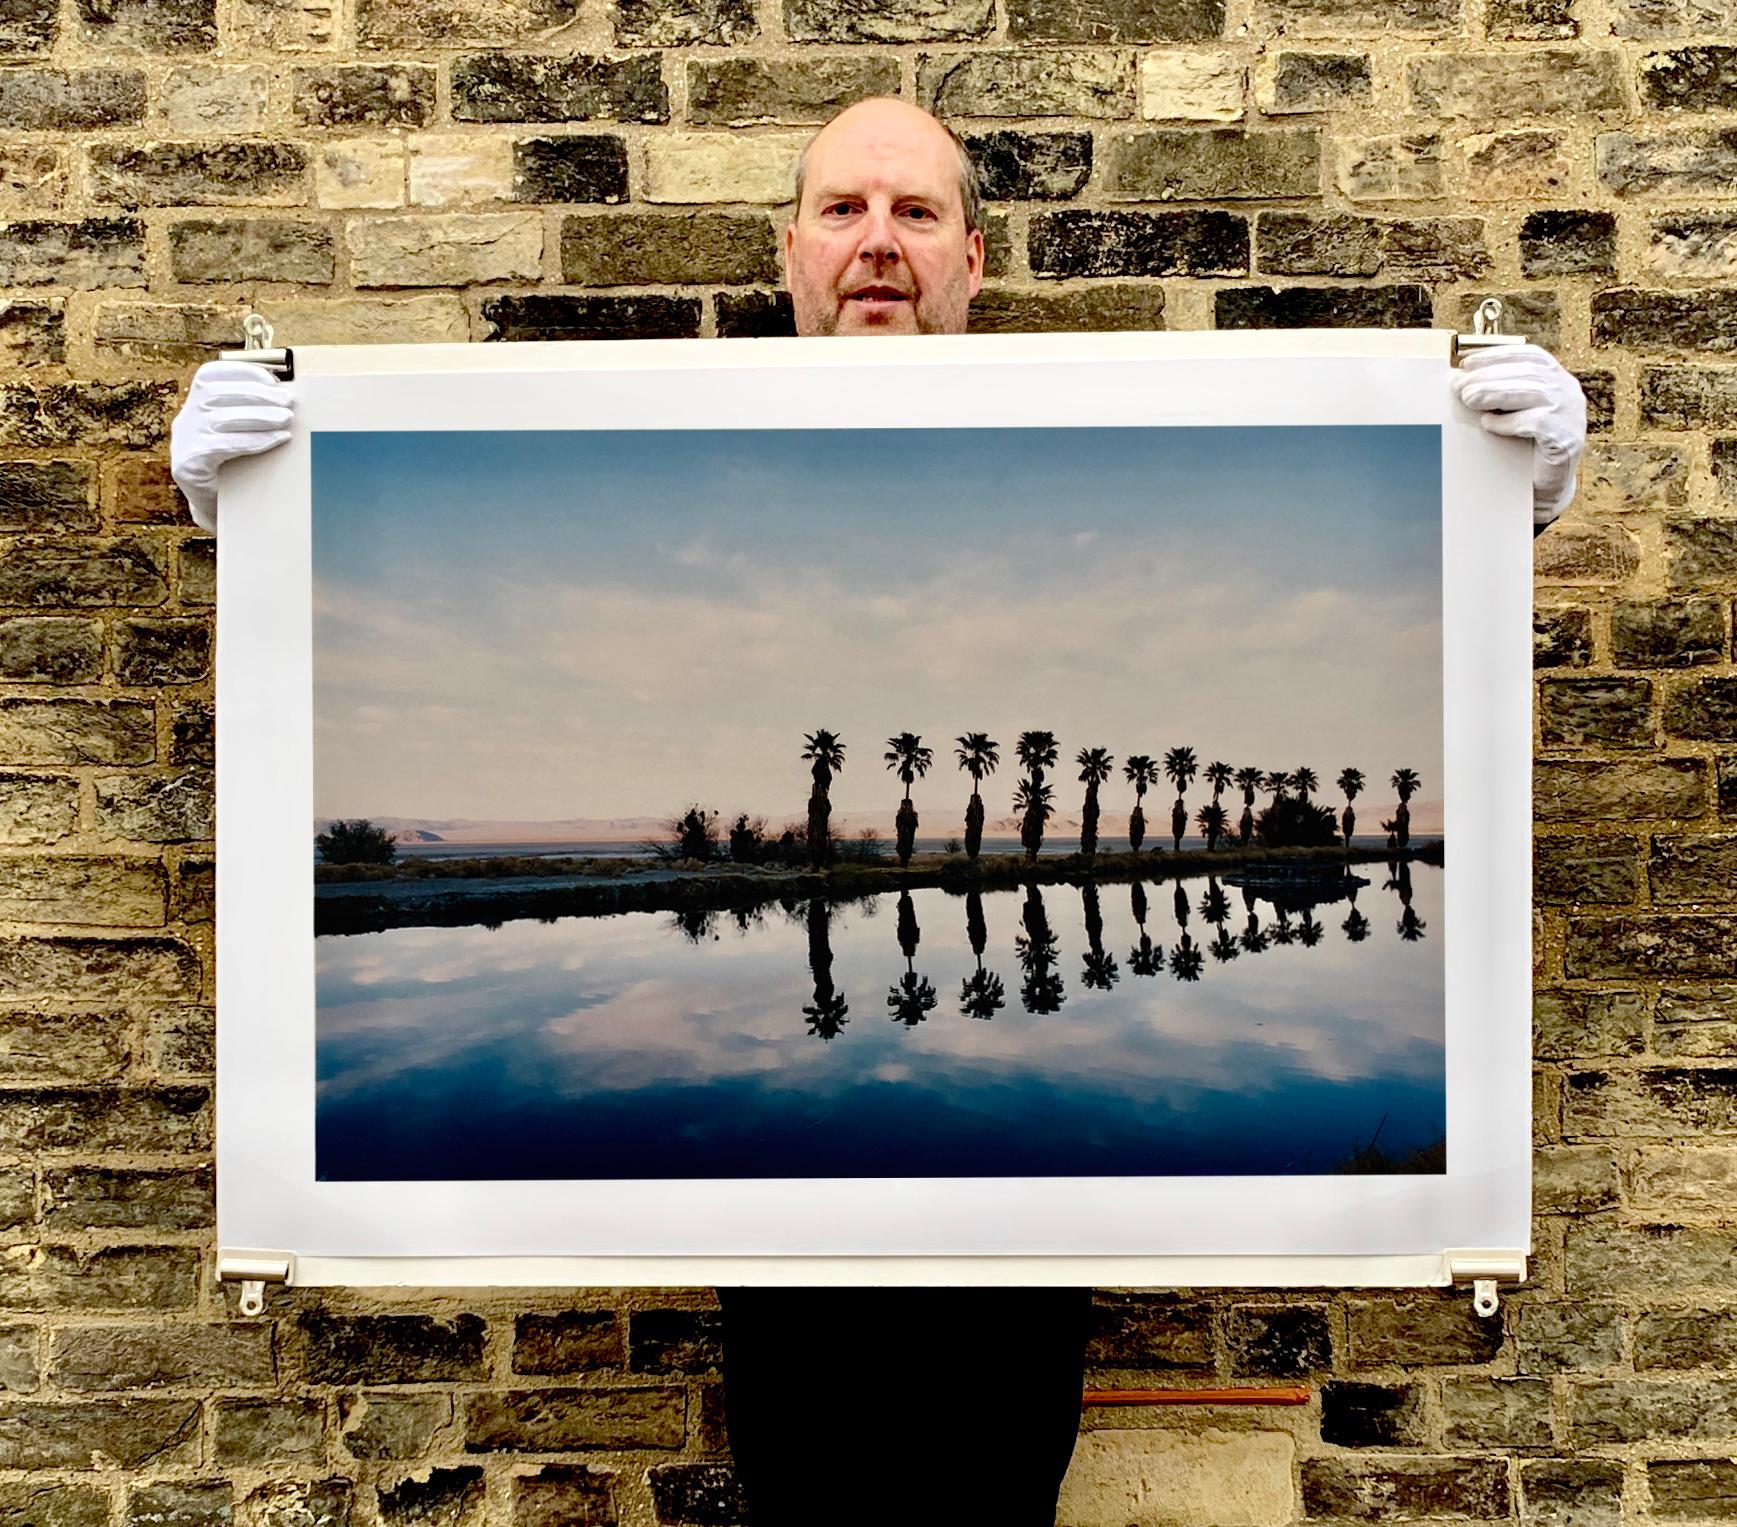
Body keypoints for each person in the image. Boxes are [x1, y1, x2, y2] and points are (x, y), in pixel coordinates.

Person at [172, 96, 1586, 1525]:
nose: (876, 246)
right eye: (843, 211)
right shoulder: (693, 469)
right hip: (786, 1238)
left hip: (1009, 1243)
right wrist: (265, 508)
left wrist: (1485, 502)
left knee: (990, 1476)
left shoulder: (1054, 463)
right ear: (788, 252)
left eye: (914, 215)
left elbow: (1368, 592)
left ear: (973, 260)